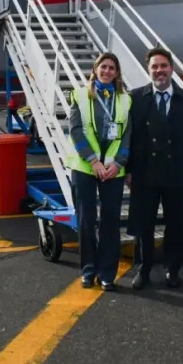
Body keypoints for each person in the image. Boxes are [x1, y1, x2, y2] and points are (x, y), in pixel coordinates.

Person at [125, 46, 183, 289]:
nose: (160, 71)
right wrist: (128, 169)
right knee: (144, 225)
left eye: (164, 66)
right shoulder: (135, 98)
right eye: (155, 67)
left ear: (171, 68)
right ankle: (144, 269)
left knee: (176, 224)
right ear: (149, 70)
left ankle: (172, 268)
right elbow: (129, 137)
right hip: (145, 172)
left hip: (177, 172)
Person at [67, 52, 132, 291]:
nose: (107, 71)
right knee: (86, 219)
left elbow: (127, 135)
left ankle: (107, 273)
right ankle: (88, 270)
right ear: (95, 70)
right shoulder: (80, 95)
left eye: (111, 68)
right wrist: (94, 162)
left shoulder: (126, 99)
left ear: (116, 73)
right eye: (103, 67)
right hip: (85, 166)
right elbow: (75, 130)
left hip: (114, 168)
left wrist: (118, 163)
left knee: (110, 221)